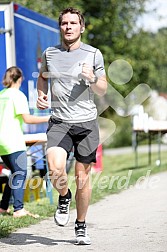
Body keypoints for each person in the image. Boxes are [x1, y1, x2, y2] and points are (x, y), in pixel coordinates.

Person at [36, 7, 107, 245]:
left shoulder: (94, 54)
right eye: (64, 23)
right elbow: (42, 77)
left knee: (82, 177)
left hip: (86, 123)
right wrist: (41, 94)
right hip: (59, 121)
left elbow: (103, 88)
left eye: (73, 23)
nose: (68, 27)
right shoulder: (50, 53)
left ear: (82, 27)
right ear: (60, 27)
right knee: (55, 169)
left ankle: (81, 226)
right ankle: (64, 197)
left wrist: (93, 79)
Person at [0, 66, 50, 218]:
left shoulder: (1, 94)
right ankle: (19, 209)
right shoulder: (18, 95)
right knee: (21, 173)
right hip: (13, 141)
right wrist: (48, 118)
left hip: (1, 143)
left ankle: (2, 207)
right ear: (20, 79)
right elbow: (28, 119)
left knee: (14, 173)